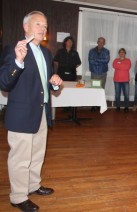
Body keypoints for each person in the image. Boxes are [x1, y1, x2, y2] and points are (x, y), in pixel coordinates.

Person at [0, 11, 63, 211]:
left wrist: (55, 83)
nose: (43, 29)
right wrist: (18, 61)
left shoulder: (46, 52)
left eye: (45, 26)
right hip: (21, 114)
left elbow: (45, 82)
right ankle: (18, 197)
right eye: (38, 24)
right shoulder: (13, 49)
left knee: (37, 153)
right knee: (20, 158)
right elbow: (4, 83)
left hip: (42, 112)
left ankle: (33, 185)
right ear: (25, 27)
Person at [113, 48, 131, 112]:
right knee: (117, 94)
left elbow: (127, 67)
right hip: (117, 80)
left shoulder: (128, 60)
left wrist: (119, 65)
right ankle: (118, 107)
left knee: (126, 94)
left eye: (123, 52)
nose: (121, 53)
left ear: (125, 53)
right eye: (120, 52)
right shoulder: (115, 60)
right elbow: (114, 65)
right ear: (119, 53)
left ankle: (126, 107)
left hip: (125, 80)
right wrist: (122, 65)